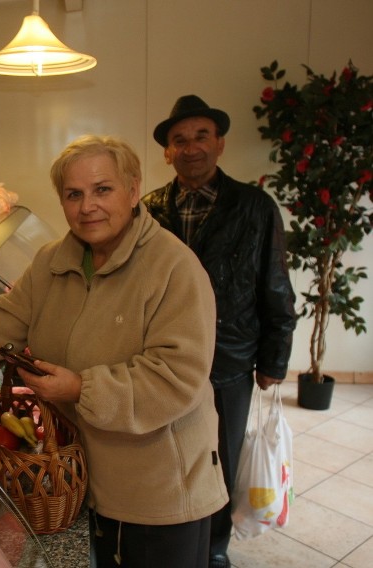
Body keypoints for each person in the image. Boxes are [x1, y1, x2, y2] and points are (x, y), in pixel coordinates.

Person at [0, 134, 228, 567]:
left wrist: (80, 388)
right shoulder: (51, 262)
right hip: (83, 478)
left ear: (134, 189)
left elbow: (175, 377)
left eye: (103, 189)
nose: (88, 207)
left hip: (158, 488)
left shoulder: (174, 268)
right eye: (74, 194)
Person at [142, 95, 297, 568]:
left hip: (228, 359)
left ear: (220, 144)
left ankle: (212, 549)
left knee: (220, 459)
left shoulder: (254, 206)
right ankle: (172, 537)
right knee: (168, 453)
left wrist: (274, 359)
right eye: (179, 140)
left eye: (201, 136)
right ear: (167, 153)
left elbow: (275, 283)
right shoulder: (149, 209)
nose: (191, 148)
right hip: (163, 359)